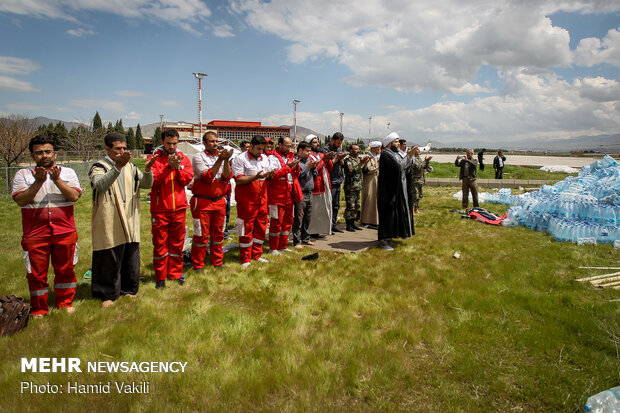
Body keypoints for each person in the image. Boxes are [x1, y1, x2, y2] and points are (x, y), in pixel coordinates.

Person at [12, 135, 82, 317]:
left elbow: (74, 196)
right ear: (32, 155)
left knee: (65, 269)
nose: (44, 155)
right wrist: (38, 182)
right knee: (36, 274)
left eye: (48, 151)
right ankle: (39, 308)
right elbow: (21, 200)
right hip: (35, 233)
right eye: (39, 152)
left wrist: (57, 181)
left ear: (55, 153)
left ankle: (65, 302)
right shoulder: (23, 175)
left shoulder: (67, 173)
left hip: (64, 231)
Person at [90, 132, 155, 307]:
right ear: (107, 149)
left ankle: (128, 290)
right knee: (108, 255)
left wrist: (148, 170)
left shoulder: (131, 167)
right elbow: (101, 184)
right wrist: (117, 167)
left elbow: (147, 184)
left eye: (125, 148)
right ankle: (107, 294)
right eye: (118, 148)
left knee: (130, 256)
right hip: (109, 217)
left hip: (129, 217)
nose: (122, 151)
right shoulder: (99, 166)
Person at [148, 129, 193, 288]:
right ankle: (160, 277)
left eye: (175, 143)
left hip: (179, 209)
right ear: (162, 142)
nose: (172, 146)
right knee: (160, 245)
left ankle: (174, 274)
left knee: (177, 244)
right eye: (169, 143)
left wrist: (178, 167)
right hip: (160, 210)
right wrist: (168, 167)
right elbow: (154, 182)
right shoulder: (153, 159)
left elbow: (187, 179)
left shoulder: (184, 158)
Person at [190, 131, 233, 272]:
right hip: (202, 202)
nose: (215, 144)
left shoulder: (222, 157)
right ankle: (198, 264)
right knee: (201, 235)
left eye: (216, 141)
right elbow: (207, 177)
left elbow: (227, 176)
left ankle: (217, 261)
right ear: (204, 143)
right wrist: (220, 160)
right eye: (212, 141)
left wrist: (226, 160)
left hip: (219, 201)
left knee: (218, 233)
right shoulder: (198, 157)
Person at [232, 135, 274, 267]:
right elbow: (238, 180)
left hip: (262, 199)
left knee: (261, 227)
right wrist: (255, 176)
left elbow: (267, 176)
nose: (260, 152)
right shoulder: (240, 159)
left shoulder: (264, 158)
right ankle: (245, 258)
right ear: (251, 146)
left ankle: (256, 254)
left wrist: (270, 175)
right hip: (247, 200)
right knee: (246, 228)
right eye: (258, 149)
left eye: (262, 149)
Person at [378, 133, 415, 251]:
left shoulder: (395, 154)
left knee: (393, 216)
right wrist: (408, 156)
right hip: (387, 192)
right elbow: (399, 168)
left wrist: (408, 159)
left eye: (398, 141)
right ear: (389, 144)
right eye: (396, 142)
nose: (398, 144)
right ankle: (384, 241)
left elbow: (403, 167)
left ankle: (390, 237)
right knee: (387, 216)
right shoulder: (385, 156)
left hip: (396, 190)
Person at [267, 137, 299, 254]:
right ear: (280, 145)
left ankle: (283, 245)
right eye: (287, 145)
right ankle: (273, 248)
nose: (289, 148)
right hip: (277, 195)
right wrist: (288, 167)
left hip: (289, 194)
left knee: (288, 221)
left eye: (290, 146)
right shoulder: (272, 158)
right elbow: (272, 175)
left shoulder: (290, 156)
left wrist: (295, 167)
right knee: (276, 222)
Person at [306, 134, 335, 237]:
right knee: (315, 210)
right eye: (314, 142)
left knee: (323, 208)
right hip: (316, 185)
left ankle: (322, 229)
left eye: (317, 142)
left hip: (325, 183)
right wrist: (324, 160)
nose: (317, 144)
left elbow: (330, 168)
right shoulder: (308, 156)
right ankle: (312, 231)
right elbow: (315, 169)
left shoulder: (321, 154)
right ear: (309, 144)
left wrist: (328, 159)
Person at [292, 141, 318, 248]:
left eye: (310, 151)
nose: (309, 153)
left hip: (309, 192)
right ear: (300, 150)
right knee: (299, 217)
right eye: (307, 151)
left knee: (307, 217)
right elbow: (298, 175)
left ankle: (306, 238)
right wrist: (308, 167)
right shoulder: (295, 161)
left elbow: (315, 175)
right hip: (300, 193)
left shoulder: (309, 160)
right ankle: (296, 241)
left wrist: (313, 167)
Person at [322, 132, 347, 233]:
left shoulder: (339, 149)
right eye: (337, 143)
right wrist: (337, 158)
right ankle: (327, 226)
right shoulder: (326, 150)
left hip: (338, 180)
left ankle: (334, 224)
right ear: (332, 140)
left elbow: (342, 164)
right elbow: (328, 164)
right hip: (330, 180)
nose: (339, 145)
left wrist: (341, 158)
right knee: (329, 204)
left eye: (340, 143)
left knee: (336, 205)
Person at [343, 144, 370, 231]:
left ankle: (353, 223)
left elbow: (365, 171)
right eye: (356, 149)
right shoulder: (348, 160)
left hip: (358, 186)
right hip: (350, 187)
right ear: (351, 150)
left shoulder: (358, 159)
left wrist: (365, 163)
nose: (358, 150)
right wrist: (361, 163)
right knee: (350, 206)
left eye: (358, 149)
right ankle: (348, 225)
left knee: (356, 206)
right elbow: (351, 171)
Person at [361, 141, 381, 229]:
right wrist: (378, 165)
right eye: (378, 148)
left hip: (375, 181)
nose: (379, 150)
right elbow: (367, 170)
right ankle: (366, 221)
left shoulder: (376, 157)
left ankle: (374, 221)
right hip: (369, 182)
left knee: (374, 201)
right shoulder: (367, 157)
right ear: (373, 148)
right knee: (369, 200)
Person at [408, 146, 432, 215]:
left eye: (418, 149)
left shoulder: (419, 158)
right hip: (414, 180)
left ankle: (416, 209)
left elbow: (423, 166)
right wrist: (426, 161)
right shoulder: (412, 158)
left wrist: (427, 164)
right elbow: (418, 167)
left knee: (419, 195)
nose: (418, 151)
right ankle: (412, 210)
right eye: (417, 149)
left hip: (420, 179)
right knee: (414, 195)